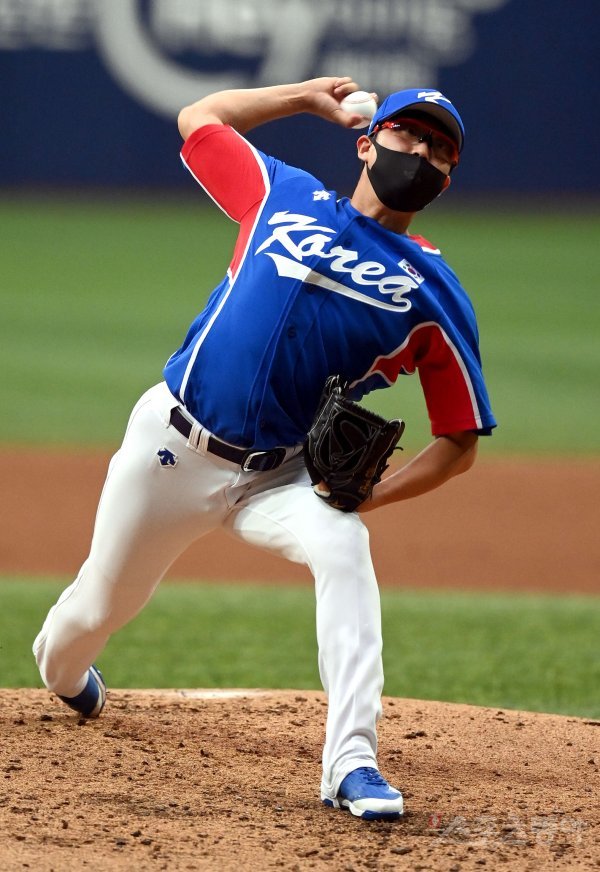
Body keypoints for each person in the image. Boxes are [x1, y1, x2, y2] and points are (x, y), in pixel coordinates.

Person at [33, 77, 496, 821]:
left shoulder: (432, 292)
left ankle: (352, 762)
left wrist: (369, 496)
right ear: (366, 143)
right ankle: (64, 670)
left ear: (448, 176)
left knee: (344, 546)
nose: (421, 152)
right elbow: (199, 117)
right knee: (95, 611)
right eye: (408, 133)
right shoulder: (283, 192)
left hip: (283, 477)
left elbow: (461, 439)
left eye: (440, 148)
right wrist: (307, 98)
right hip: (171, 448)